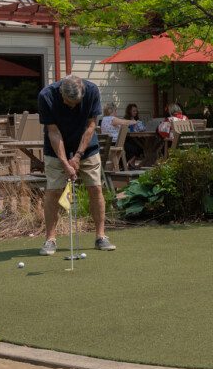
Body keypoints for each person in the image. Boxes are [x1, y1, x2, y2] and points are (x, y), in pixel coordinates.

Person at [37, 74, 116, 255]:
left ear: (83, 93)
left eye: (75, 103)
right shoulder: (46, 96)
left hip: (87, 147)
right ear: (61, 93)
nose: (70, 105)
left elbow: (91, 126)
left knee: (95, 188)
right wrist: (66, 163)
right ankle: (50, 239)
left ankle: (100, 237)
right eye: (67, 101)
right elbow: (53, 132)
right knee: (53, 191)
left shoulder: (92, 91)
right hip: (56, 149)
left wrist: (78, 156)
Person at [100, 103, 143, 168]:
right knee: (136, 147)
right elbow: (125, 122)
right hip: (115, 143)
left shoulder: (104, 119)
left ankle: (122, 165)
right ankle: (124, 164)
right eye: (115, 110)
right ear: (111, 111)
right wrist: (135, 122)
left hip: (107, 143)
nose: (116, 112)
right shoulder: (112, 119)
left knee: (130, 145)